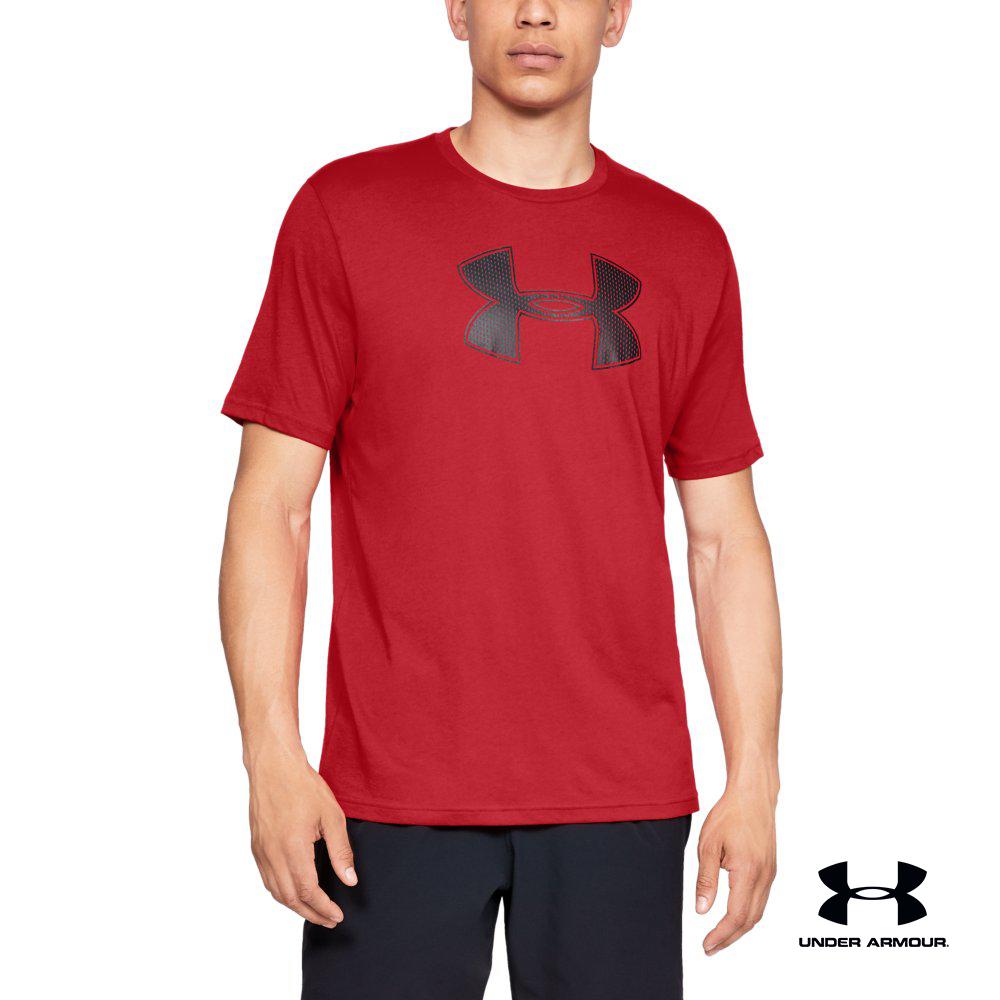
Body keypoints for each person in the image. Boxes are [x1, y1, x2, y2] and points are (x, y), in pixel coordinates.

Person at [219, 2, 782, 997]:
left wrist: (756, 778)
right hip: (386, 797)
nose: (535, 11)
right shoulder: (346, 212)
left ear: (615, 17)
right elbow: (274, 509)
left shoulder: (686, 244)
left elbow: (723, 539)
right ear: (457, 9)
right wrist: (271, 756)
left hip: (619, 793)